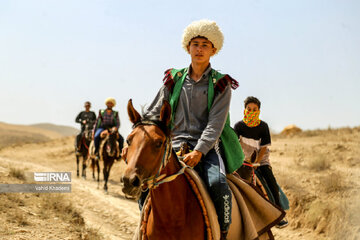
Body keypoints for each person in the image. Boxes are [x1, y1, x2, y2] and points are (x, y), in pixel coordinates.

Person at [142, 19, 244, 239]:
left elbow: (215, 123)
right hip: (173, 147)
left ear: (213, 50)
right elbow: (154, 111)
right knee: (144, 184)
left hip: (205, 149)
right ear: (188, 47)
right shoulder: (173, 79)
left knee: (219, 186)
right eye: (195, 43)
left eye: (205, 45)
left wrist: (199, 151)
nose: (199, 49)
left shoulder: (221, 84)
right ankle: (143, 229)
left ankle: (223, 233)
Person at [233, 96, 289, 228]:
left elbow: (263, 148)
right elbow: (235, 145)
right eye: (249, 109)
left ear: (259, 111)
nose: (251, 112)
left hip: (260, 161)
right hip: (242, 160)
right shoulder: (238, 126)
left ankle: (278, 214)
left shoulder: (263, 127)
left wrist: (257, 162)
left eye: (254, 109)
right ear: (244, 110)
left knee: (271, 183)